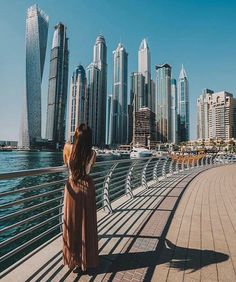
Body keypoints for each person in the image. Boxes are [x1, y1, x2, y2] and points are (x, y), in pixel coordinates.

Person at [63, 124, 98, 273]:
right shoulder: (93, 153)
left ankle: (73, 259)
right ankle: (86, 259)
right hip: (87, 188)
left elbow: (66, 164)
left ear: (76, 136)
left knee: (71, 223)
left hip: (72, 187)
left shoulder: (67, 148)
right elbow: (91, 167)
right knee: (86, 223)